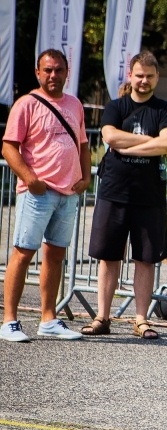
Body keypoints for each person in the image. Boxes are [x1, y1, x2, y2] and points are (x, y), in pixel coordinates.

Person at [82, 51, 167, 340]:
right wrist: (150, 142)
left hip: (149, 197)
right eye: (139, 75)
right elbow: (110, 136)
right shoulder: (116, 106)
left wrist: (129, 146)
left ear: (157, 77)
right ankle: (102, 317)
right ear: (130, 75)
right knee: (108, 256)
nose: (144, 81)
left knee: (145, 260)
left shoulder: (165, 109)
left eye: (149, 76)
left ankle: (141, 320)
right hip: (114, 192)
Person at [0, 49, 92, 342]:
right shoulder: (26, 104)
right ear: (37, 73)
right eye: (48, 70)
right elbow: (8, 147)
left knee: (55, 254)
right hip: (37, 193)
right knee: (23, 252)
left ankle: (48, 319)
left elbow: (83, 144)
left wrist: (86, 177)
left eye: (59, 70)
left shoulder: (75, 104)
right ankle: (9, 321)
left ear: (67, 72)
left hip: (68, 193)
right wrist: (30, 179)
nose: (53, 75)